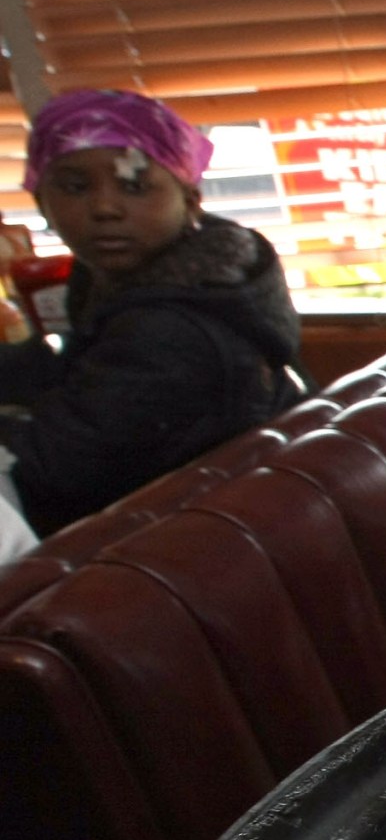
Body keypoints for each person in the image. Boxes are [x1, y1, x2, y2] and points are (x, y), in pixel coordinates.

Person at [0, 88, 302, 536]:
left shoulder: (174, 329)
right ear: (42, 202)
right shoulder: (130, 278)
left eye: (135, 186)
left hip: (216, 541)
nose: (105, 208)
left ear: (189, 198)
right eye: (75, 187)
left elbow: (54, 467)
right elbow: (70, 365)